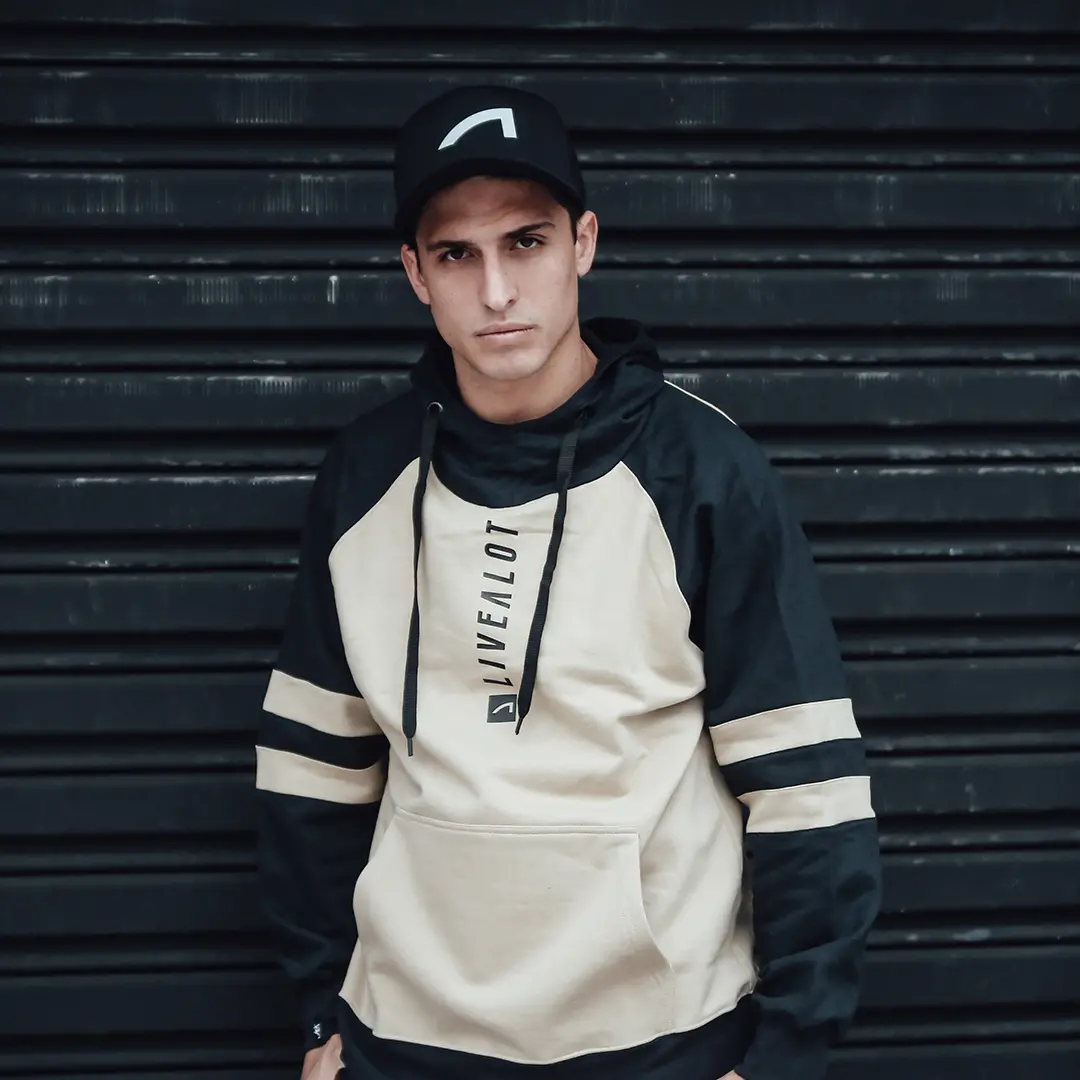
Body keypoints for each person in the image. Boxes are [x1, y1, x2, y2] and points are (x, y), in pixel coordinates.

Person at [255, 85, 882, 1080]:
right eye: (457, 254)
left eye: (527, 242)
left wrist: (784, 1053)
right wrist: (321, 1014)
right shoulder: (367, 478)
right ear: (414, 273)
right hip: (406, 1040)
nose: (497, 291)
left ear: (583, 243)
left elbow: (804, 782)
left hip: (660, 1044)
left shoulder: (701, 471)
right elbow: (311, 773)